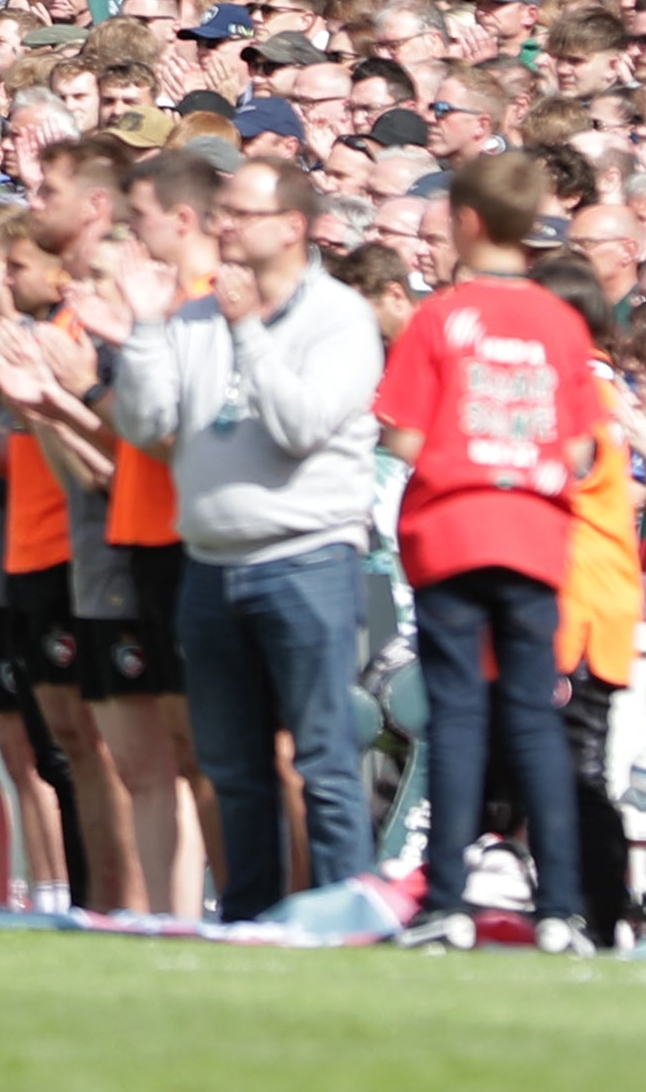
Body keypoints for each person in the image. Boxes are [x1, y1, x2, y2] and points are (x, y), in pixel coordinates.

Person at [92, 148, 381, 920]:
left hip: (305, 557)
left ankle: (342, 914)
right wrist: (147, 329)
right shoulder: (191, 313)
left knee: (320, 755)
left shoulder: (338, 317)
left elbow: (299, 426)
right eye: (220, 212)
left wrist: (248, 329)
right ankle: (251, 919)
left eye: (239, 213)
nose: (220, 225)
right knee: (231, 765)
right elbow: (149, 423)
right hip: (211, 563)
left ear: (292, 225)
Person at [375, 148, 601, 949]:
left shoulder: (441, 316)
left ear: (467, 222)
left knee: (458, 713)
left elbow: (400, 432)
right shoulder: (561, 320)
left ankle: (446, 902)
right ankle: (563, 906)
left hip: (452, 527)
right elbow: (579, 451)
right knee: (535, 718)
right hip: (534, 533)